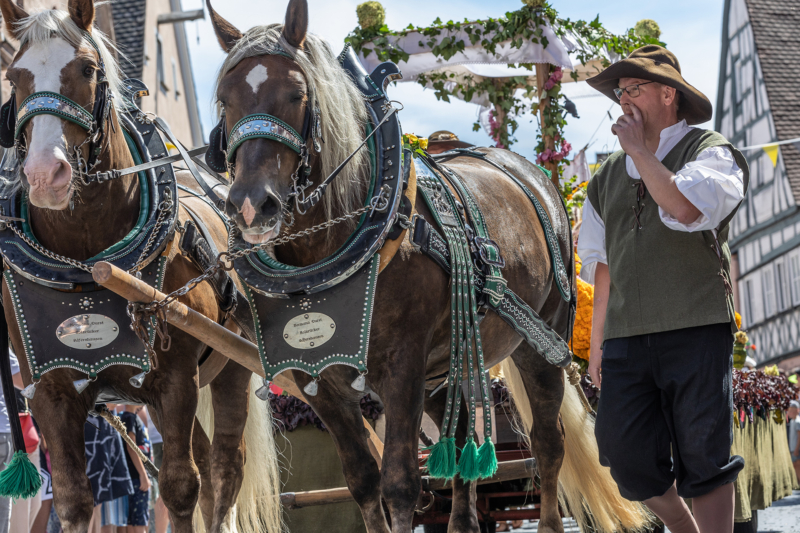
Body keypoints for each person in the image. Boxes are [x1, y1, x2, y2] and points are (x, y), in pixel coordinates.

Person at [579, 45, 748, 533]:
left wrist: (638, 150)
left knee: (703, 450)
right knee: (623, 454)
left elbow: (684, 209)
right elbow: (603, 264)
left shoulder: (710, 151)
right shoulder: (606, 177)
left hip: (695, 324)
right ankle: (682, 527)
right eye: (620, 91)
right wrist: (598, 344)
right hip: (628, 337)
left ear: (669, 94)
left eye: (635, 88)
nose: (624, 99)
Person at [118, 405, 151, 533]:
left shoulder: (134, 418)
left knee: (135, 521)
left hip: (137, 479)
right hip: (136, 479)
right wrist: (143, 475)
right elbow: (131, 446)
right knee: (138, 523)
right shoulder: (128, 418)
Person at [789, 400, 800, 483]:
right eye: (790, 410)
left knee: (798, 466)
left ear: (797, 410)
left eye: (793, 410)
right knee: (795, 465)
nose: (791, 412)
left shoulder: (797, 421)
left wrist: (796, 449)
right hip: (792, 448)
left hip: (796, 448)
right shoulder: (792, 421)